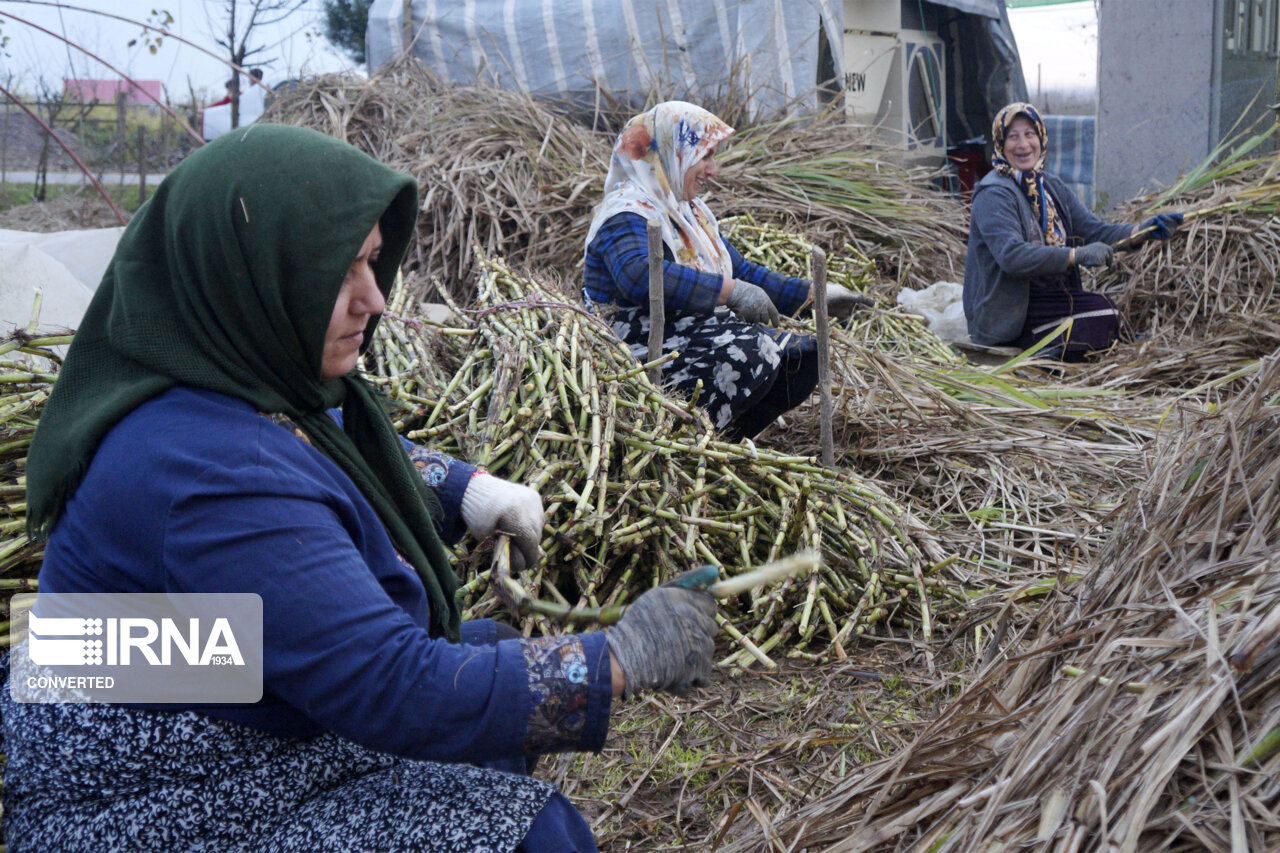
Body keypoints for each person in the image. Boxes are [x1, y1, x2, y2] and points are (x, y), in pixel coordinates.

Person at [1, 124, 718, 852]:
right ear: (257, 271)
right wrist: (621, 658)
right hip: (144, 783)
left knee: (486, 652)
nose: (374, 298)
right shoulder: (210, 478)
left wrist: (461, 486)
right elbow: (393, 686)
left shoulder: (214, 369)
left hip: (171, 664)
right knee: (532, 830)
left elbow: (323, 439)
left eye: (374, 262)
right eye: (339, 271)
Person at [583, 100, 872, 440]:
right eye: (704, 156)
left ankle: (727, 441)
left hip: (689, 336)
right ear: (673, 153)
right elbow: (638, 275)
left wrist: (812, 296)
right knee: (755, 353)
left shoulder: (687, 212)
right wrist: (729, 293)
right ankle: (679, 436)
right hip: (637, 351)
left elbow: (739, 269)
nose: (713, 169)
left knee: (804, 356)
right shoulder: (626, 211)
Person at [963, 102, 1184, 361]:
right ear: (1001, 143)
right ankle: (1049, 354)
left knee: (1108, 311)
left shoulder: (1050, 186)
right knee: (1104, 315)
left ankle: (1072, 349)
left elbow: (1094, 230)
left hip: (1050, 299)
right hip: (1009, 312)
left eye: (1029, 134)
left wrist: (1141, 230)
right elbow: (1011, 255)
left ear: (1041, 138)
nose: (1023, 144)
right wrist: (1075, 256)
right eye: (1013, 137)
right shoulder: (994, 193)